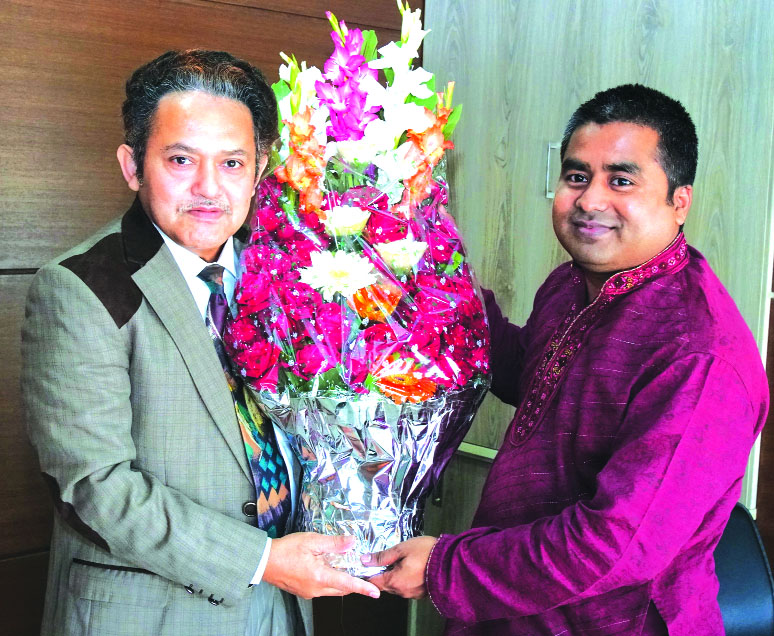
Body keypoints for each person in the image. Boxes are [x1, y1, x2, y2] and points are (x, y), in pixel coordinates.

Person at [365, 84, 769, 635]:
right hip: (513, 609)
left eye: (621, 180)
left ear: (680, 201)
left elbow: (616, 544)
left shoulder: (698, 356)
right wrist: (434, 285)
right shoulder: (572, 284)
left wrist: (444, 567)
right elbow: (531, 377)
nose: (590, 200)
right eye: (577, 176)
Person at [21, 49, 378, 636]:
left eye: (233, 163)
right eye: (181, 160)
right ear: (133, 165)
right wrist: (262, 561)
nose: (210, 189)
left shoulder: (291, 277)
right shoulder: (82, 287)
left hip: (283, 610)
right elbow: (95, 488)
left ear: (261, 167)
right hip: (147, 614)